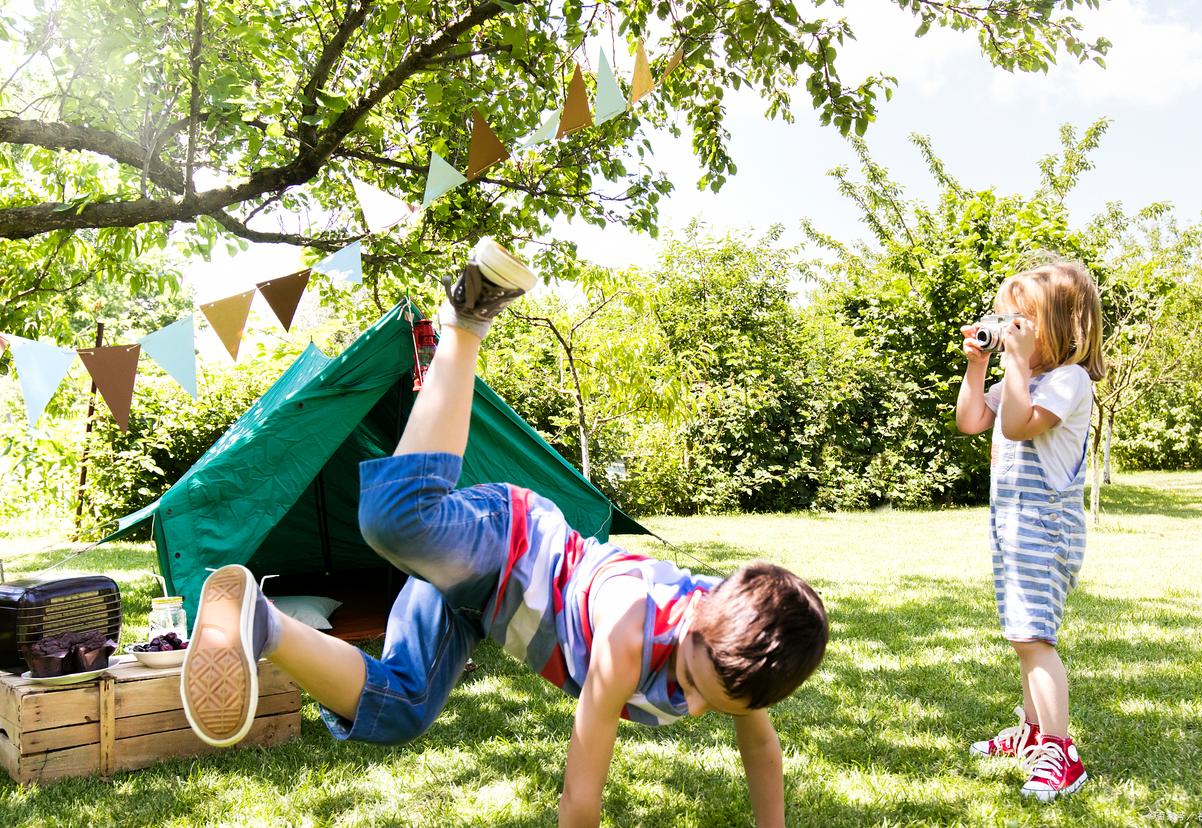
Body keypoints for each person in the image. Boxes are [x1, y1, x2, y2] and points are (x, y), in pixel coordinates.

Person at [180, 237, 829, 828]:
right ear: (695, 622)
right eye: (689, 680)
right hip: (508, 546)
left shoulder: (739, 659)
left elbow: (763, 754)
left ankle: (258, 624)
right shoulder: (630, 634)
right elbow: (581, 793)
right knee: (392, 520)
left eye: (709, 702)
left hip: (482, 609)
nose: (689, 702)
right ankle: (467, 322)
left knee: (402, 706)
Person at [954, 260, 1106, 801]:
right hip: (1014, 529)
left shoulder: (1067, 381)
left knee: (1034, 639)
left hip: (1047, 528)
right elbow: (973, 420)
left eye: (1021, 320)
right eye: (1004, 319)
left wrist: (1015, 369)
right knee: (1024, 638)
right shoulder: (1023, 379)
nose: (1008, 329)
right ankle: (1035, 731)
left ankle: (1061, 753)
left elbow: (1017, 424)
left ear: (1061, 326)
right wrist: (978, 368)